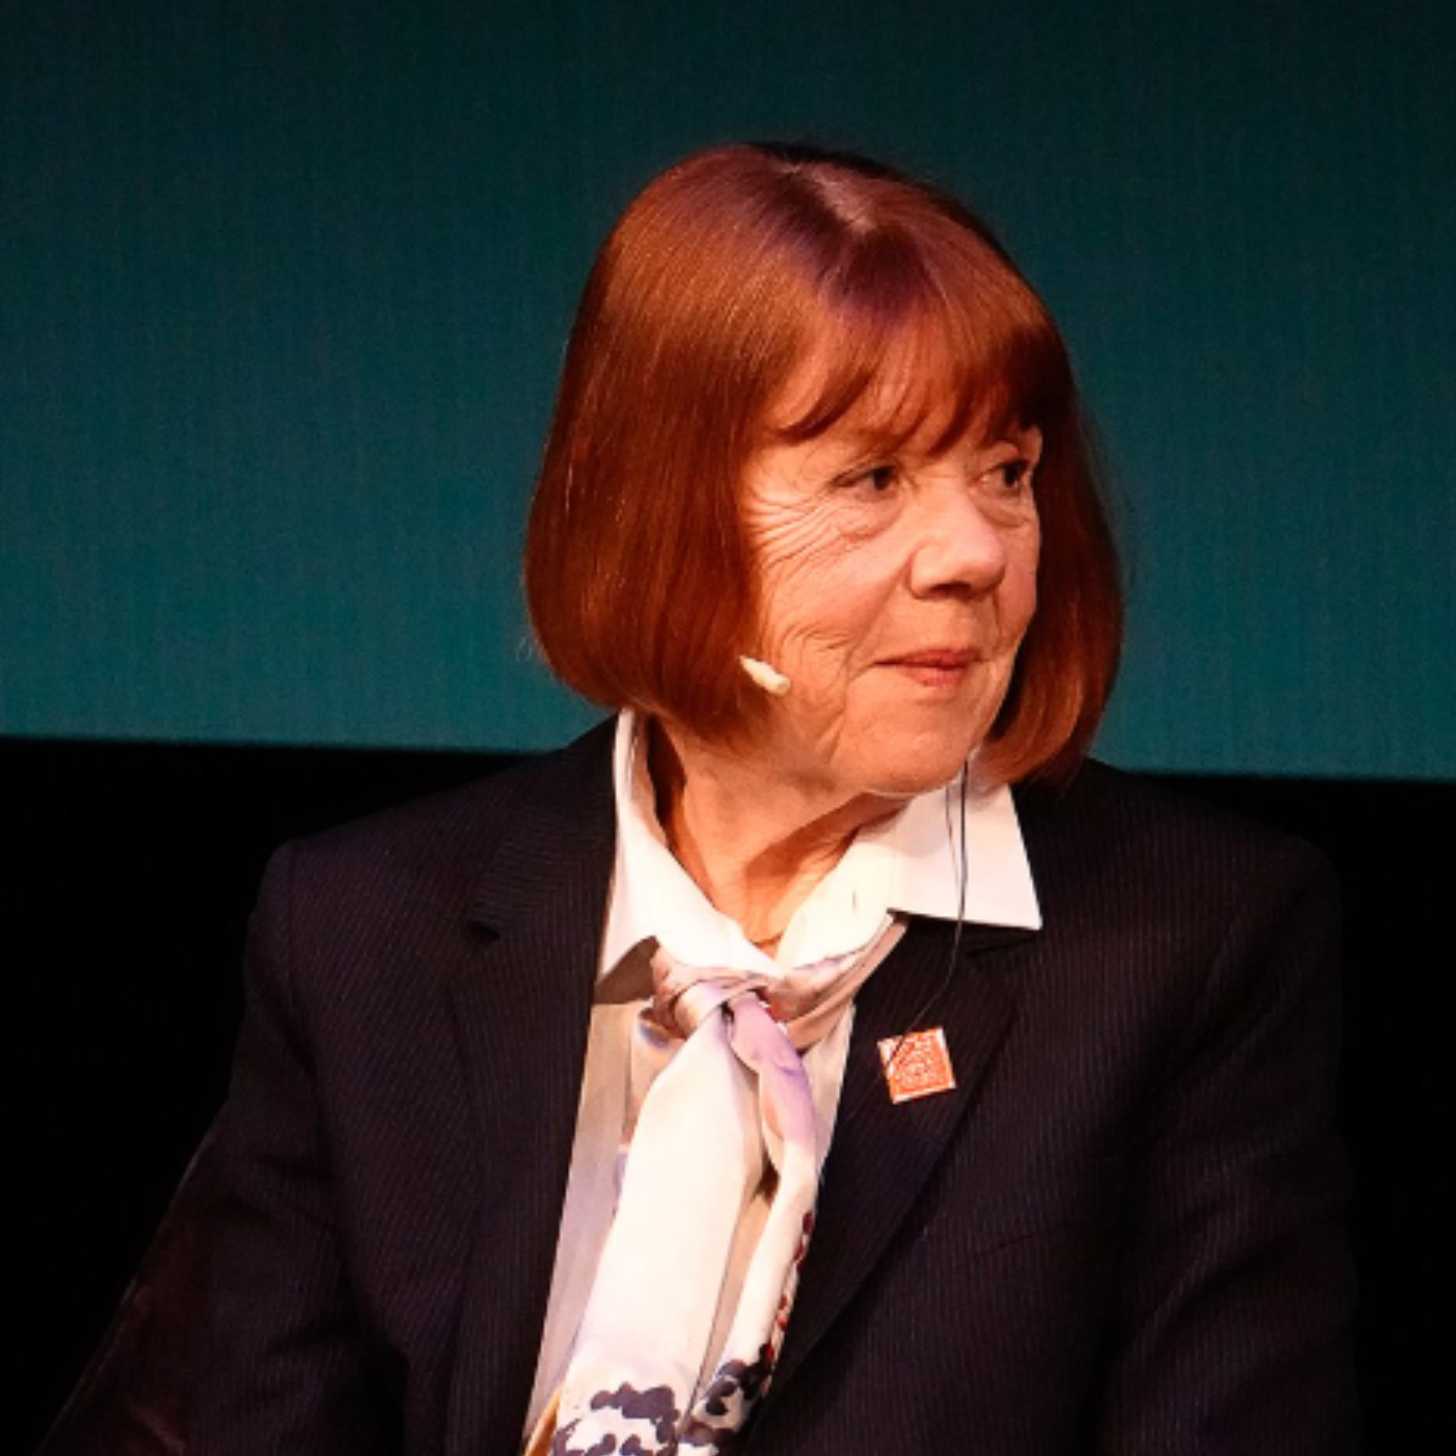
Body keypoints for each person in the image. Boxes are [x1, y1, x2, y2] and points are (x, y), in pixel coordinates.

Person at [194, 143, 1358, 1453]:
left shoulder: (1190, 950)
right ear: (659, 510)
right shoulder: (362, 931)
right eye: (873, 479)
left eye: (1009, 473)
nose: (978, 553)